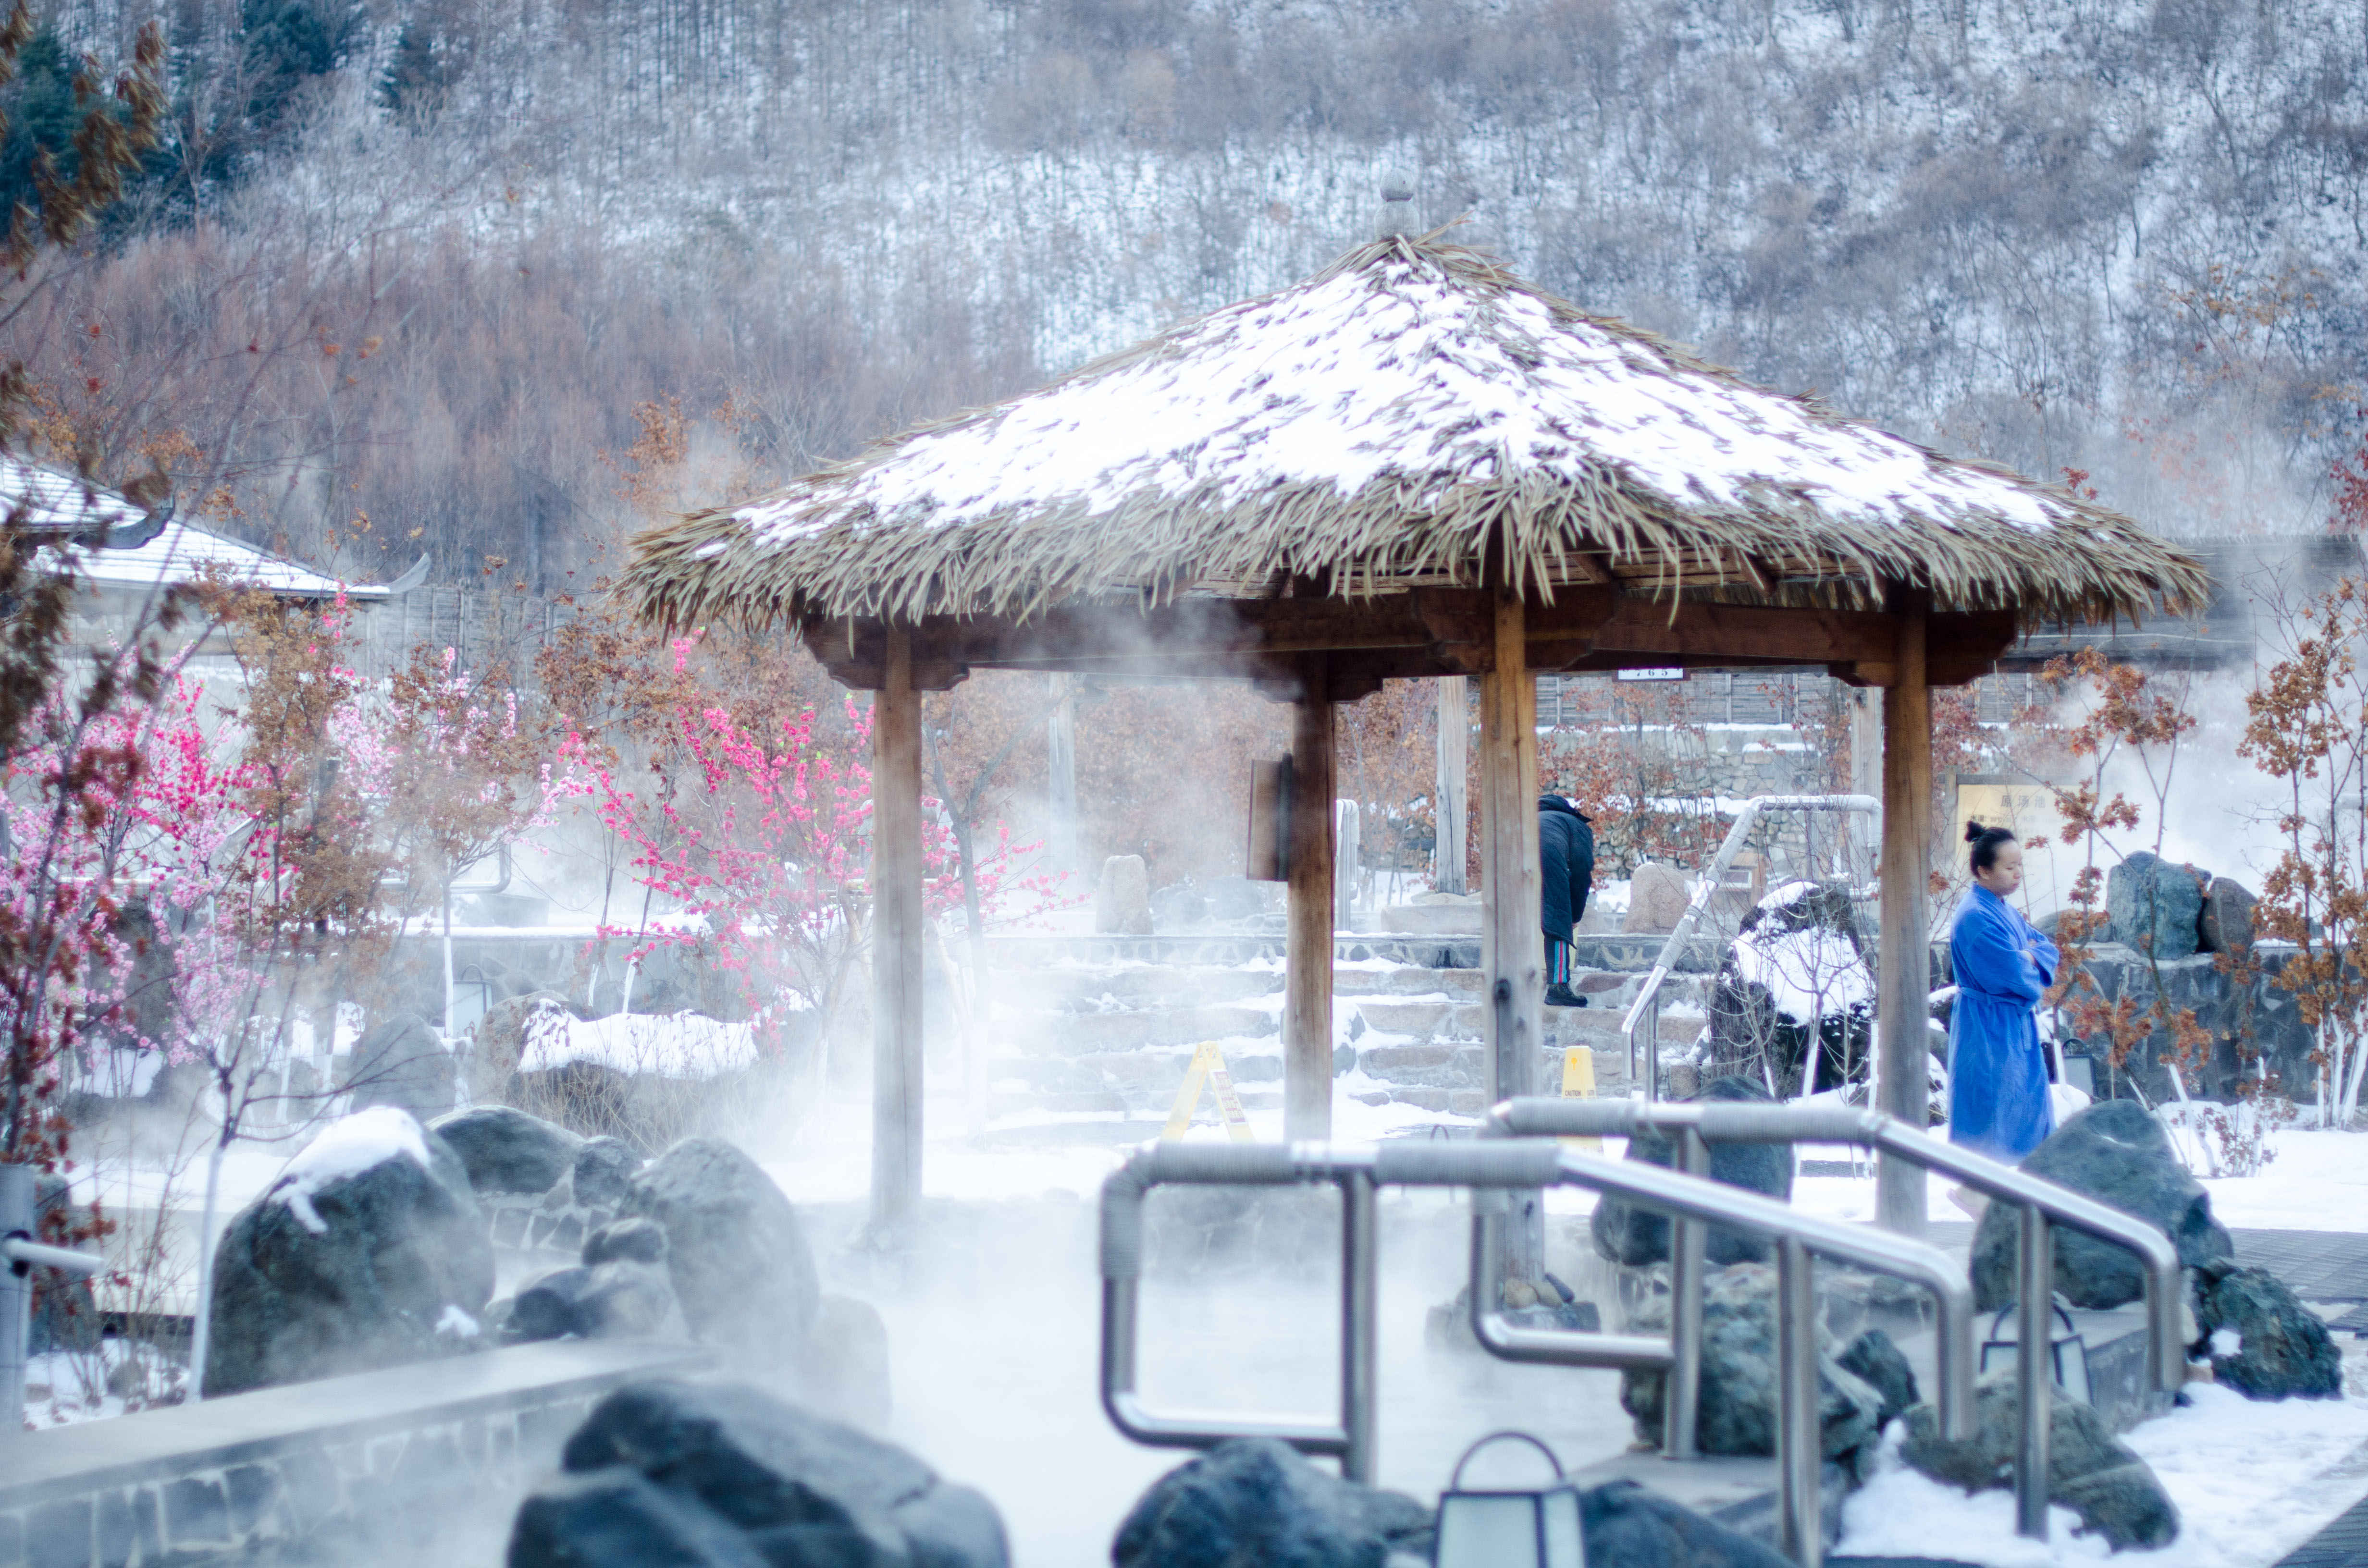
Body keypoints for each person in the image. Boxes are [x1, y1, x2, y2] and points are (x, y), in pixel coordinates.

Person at [1947, 820, 2060, 1169]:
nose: (2018, 874)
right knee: (1990, 1109)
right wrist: (2027, 957)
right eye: (2010, 867)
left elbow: (2047, 947)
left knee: (2025, 1107)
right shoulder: (1976, 917)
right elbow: (2015, 975)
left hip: (2012, 1023)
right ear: (1984, 870)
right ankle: (1975, 1189)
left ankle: (2018, 1186)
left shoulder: (2002, 908)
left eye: (2020, 865)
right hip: (1986, 1027)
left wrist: (2028, 955)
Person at [1538, 795, 1595, 1008]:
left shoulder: (1526, 819)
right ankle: (1558, 988)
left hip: (1511, 849)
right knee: (1558, 912)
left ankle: (1508, 985)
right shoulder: (1575, 825)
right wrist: (1574, 916)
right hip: (1549, 855)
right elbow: (1581, 873)